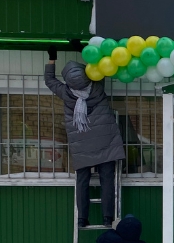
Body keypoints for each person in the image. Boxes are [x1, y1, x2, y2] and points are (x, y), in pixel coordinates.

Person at [45, 47, 126, 227]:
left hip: (81, 145)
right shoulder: (97, 85)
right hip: (105, 141)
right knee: (107, 179)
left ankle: (82, 219)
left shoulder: (66, 93)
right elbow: (100, 66)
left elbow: (49, 80)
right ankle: (108, 218)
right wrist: (85, 50)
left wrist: (52, 58)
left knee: (82, 180)